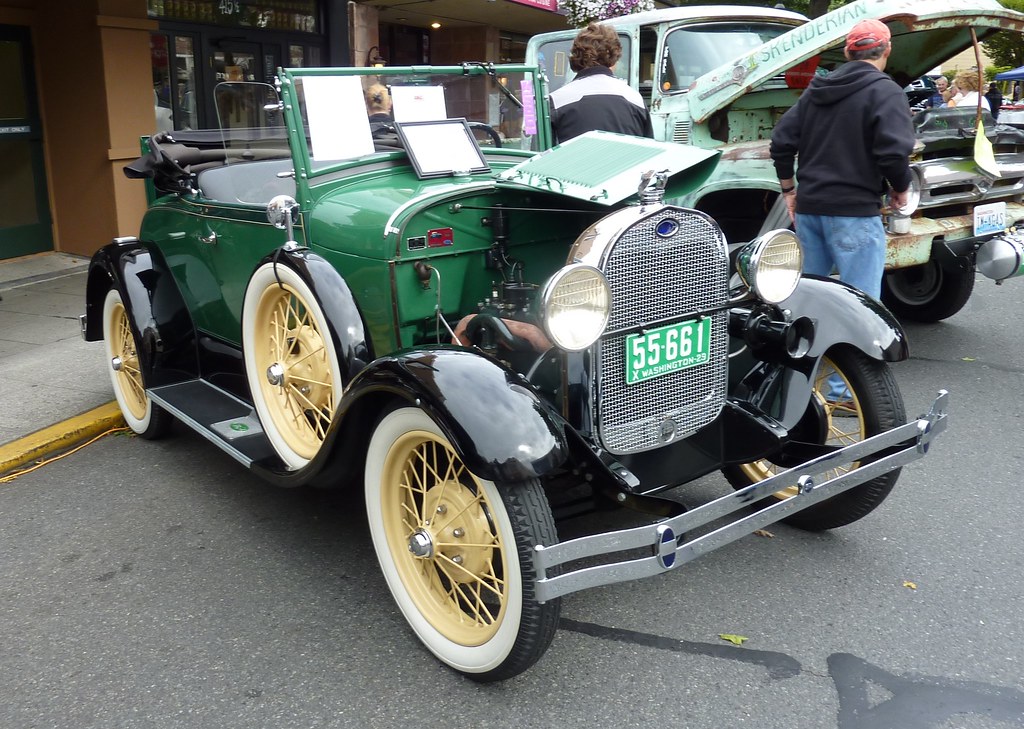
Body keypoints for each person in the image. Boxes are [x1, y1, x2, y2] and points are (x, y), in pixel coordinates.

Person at [770, 18, 915, 401]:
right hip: (854, 213)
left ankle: (798, 385)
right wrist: (900, 188)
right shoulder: (885, 92)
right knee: (860, 307)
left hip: (811, 210)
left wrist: (789, 189)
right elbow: (892, 152)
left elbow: (782, 140)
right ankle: (841, 394)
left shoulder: (818, 89)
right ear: (885, 51)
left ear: (849, 51)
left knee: (806, 304)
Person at [548, 22, 653, 143]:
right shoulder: (636, 99)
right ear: (614, 59)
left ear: (575, 57)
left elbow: (541, 154)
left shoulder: (556, 101)